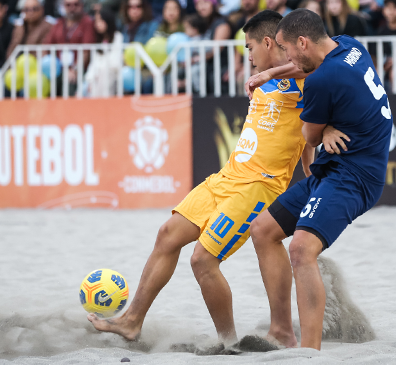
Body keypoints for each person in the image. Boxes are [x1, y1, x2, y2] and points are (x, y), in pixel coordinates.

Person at [88, 10, 318, 349]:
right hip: (227, 176)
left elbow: (314, 71)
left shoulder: (301, 74)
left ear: (270, 43)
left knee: (202, 259)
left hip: (260, 186)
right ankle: (132, 320)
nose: (249, 56)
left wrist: (311, 172)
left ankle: (228, 342)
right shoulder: (265, 79)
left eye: (250, 47)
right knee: (167, 234)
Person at [246, 8, 392, 350]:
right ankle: (281, 329)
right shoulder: (348, 45)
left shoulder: (321, 80)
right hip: (334, 170)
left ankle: (309, 353)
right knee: (263, 231)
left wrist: (322, 128)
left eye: (286, 49)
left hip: (352, 176)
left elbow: (309, 138)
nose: (286, 57)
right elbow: (305, 66)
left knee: (300, 250)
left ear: (302, 42)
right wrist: (269, 75)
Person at [43, 0, 95, 96]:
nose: (72, 7)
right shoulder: (59, 23)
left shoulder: (87, 22)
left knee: (69, 82)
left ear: (82, 5)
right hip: (59, 67)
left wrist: (74, 69)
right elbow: (46, 46)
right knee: (46, 81)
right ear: (63, 6)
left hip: (80, 68)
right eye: (68, 5)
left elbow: (86, 52)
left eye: (76, 4)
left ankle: (67, 110)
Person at [84, 8, 123, 97]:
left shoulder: (118, 37)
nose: (97, 24)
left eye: (100, 20)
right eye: (96, 21)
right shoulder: (98, 40)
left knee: (105, 76)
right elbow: (93, 64)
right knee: (82, 90)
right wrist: (89, 80)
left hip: (112, 75)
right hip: (96, 77)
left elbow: (115, 62)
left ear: (107, 20)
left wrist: (100, 72)